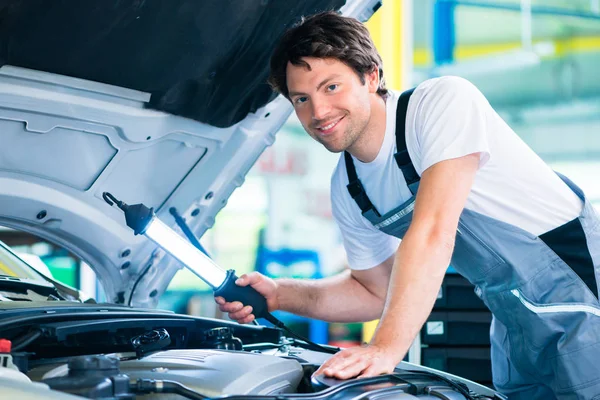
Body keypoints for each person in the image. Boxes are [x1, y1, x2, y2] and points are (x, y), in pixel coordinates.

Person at [215, 11, 600, 399]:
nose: (318, 112)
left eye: (331, 87)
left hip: (581, 288)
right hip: (516, 320)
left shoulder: (440, 104)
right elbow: (372, 291)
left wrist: (385, 348)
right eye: (301, 99)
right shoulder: (349, 186)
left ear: (371, 76)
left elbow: (434, 232)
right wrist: (281, 294)